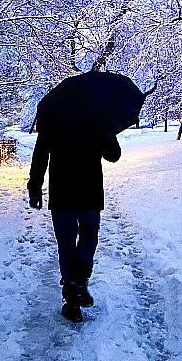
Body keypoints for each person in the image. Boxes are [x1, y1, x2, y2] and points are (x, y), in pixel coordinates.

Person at [27, 135, 121, 323]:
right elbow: (113, 155)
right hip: (90, 192)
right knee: (89, 237)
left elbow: (40, 155)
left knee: (66, 245)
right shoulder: (97, 113)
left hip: (61, 193)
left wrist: (35, 187)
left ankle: (73, 303)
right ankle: (78, 279)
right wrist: (105, 132)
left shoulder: (52, 112)